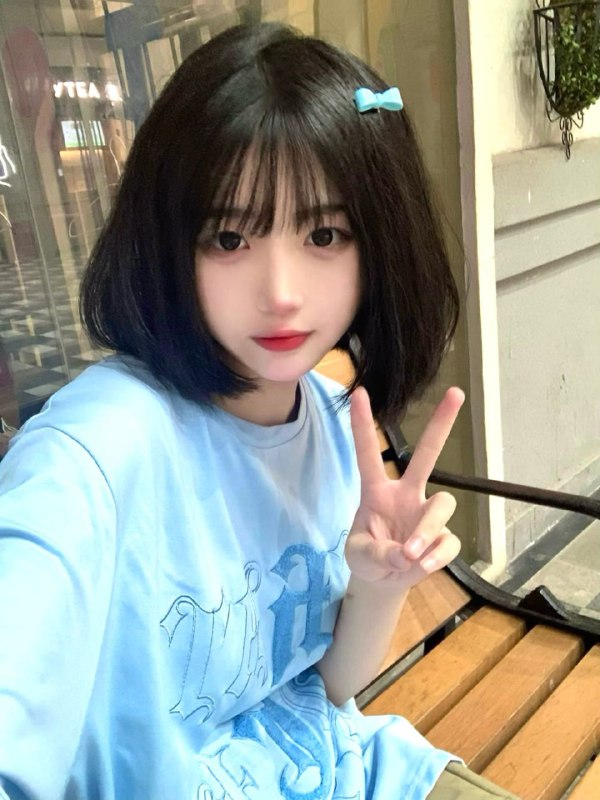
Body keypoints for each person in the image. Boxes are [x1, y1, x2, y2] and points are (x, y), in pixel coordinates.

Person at [0, 22, 519, 800]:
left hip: (351, 768)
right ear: (168, 242)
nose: (281, 291)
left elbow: (324, 690)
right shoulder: (92, 456)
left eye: (323, 233)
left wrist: (378, 582)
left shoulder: (325, 416)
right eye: (229, 236)